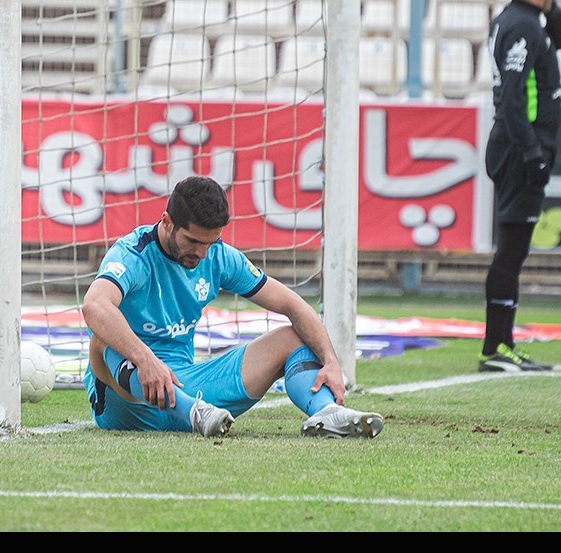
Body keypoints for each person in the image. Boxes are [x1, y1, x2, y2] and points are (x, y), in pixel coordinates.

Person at [81, 176, 384, 439]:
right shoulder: (133, 254)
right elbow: (94, 305)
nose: (201, 253)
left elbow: (292, 304)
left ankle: (326, 414)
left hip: (192, 390)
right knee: (102, 339)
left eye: (211, 243)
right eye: (193, 241)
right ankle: (191, 413)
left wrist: (330, 360)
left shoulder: (218, 256)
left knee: (295, 337)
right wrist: (145, 359)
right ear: (167, 222)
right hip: (129, 403)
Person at [479, 0, 561, 372]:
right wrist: (532, 153)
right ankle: (497, 348)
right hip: (520, 148)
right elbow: (514, 98)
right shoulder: (523, 25)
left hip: (517, 145)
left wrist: (551, 8)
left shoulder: (525, 20)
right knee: (511, 252)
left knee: (513, 251)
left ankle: (503, 345)